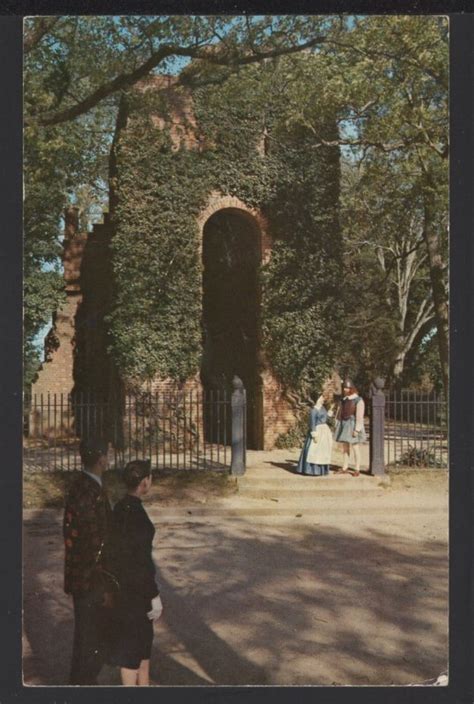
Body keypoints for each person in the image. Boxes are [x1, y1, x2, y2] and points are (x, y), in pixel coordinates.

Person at [63, 436, 116, 685]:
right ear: (101, 459)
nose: (111, 455)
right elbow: (94, 542)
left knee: (88, 636)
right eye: (108, 451)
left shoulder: (84, 485)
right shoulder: (90, 492)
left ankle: (82, 683)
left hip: (84, 575)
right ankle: (82, 686)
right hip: (90, 578)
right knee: (90, 637)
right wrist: (103, 583)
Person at [107, 459, 163, 686]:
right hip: (136, 592)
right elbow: (141, 563)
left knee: (141, 645)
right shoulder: (138, 517)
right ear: (144, 482)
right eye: (149, 477)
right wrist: (154, 595)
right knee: (133, 651)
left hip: (122, 588)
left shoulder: (119, 508)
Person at [296, 391, 334, 476]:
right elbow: (312, 423)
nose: (322, 399)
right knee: (314, 451)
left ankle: (321, 470)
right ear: (317, 398)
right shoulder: (314, 410)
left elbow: (325, 418)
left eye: (323, 398)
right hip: (317, 431)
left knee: (323, 451)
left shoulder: (323, 408)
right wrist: (314, 435)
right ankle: (311, 470)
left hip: (324, 432)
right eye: (321, 397)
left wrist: (330, 412)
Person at [334, 378, 367, 476]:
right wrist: (337, 422)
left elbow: (359, 416)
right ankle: (345, 467)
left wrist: (357, 429)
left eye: (347, 388)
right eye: (344, 388)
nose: (345, 390)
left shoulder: (358, 400)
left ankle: (357, 469)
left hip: (352, 425)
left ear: (351, 388)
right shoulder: (344, 400)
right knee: (345, 448)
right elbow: (339, 412)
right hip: (344, 424)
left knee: (355, 447)